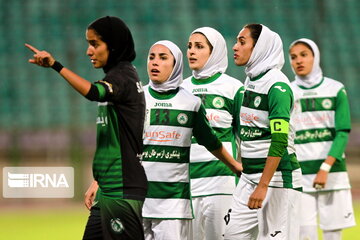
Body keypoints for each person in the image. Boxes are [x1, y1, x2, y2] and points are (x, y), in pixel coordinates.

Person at [26, 16, 147, 240]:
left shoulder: (123, 77)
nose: (88, 51)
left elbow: (93, 92)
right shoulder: (117, 76)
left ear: (113, 45)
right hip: (108, 189)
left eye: (94, 44)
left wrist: (56, 65)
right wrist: (98, 181)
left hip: (122, 189)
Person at [142, 40, 242, 240]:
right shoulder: (138, 97)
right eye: (151, 57)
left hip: (192, 193)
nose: (154, 63)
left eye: (162, 58)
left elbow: (212, 140)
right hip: (144, 195)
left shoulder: (192, 101)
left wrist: (238, 167)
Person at [223, 24, 302, 240]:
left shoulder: (277, 87)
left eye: (242, 41)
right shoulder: (250, 80)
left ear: (260, 47)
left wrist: (263, 185)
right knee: (231, 235)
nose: (235, 47)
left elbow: (280, 141)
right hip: (249, 178)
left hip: (276, 181)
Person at [289, 38, 356, 240]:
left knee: (332, 235)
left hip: (332, 173)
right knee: (304, 234)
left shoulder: (335, 89)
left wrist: (325, 168)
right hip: (300, 175)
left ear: (315, 57)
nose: (298, 61)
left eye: (304, 55)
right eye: (293, 57)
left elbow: (342, 132)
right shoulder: (287, 91)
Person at [181, 27, 244, 240]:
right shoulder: (180, 89)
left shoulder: (234, 88)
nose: (191, 51)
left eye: (199, 47)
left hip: (222, 184)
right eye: (190, 46)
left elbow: (245, 138)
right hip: (187, 186)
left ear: (214, 51)